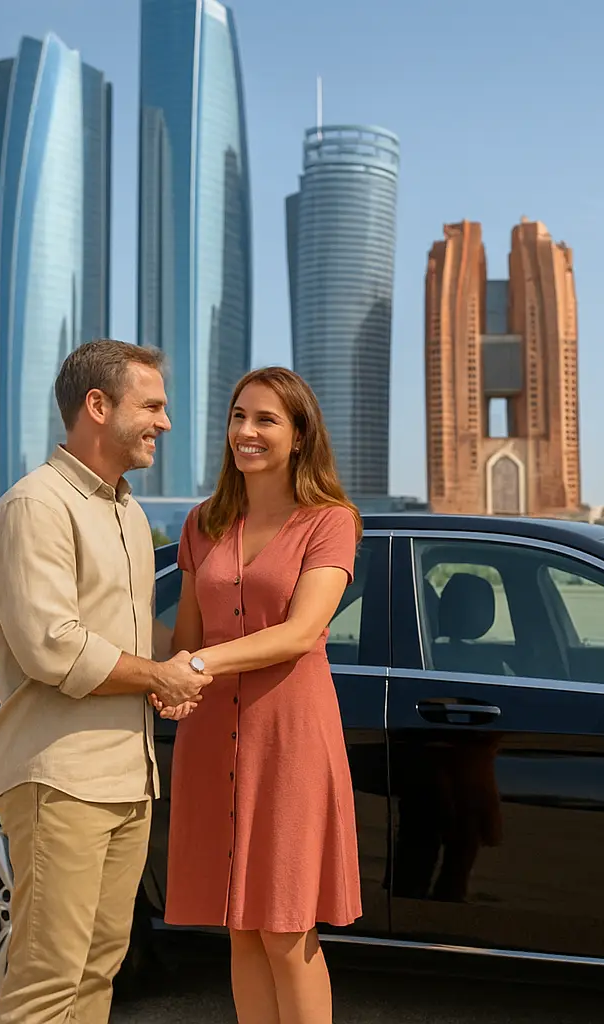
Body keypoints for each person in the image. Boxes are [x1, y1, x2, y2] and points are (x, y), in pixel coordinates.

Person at [0, 340, 213, 1024]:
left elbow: (136, 639)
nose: (164, 423)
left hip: (125, 775)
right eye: (153, 406)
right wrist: (161, 676)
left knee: (98, 969)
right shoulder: (36, 507)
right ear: (97, 405)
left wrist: (204, 659)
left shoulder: (128, 514)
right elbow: (54, 646)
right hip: (61, 778)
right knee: (48, 979)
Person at [158, 366, 362, 1024]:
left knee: (284, 925)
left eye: (266, 419)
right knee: (239, 925)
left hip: (291, 741)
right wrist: (154, 666)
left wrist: (197, 663)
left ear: (300, 436)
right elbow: (184, 637)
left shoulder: (330, 521)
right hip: (212, 736)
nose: (246, 431)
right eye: (238, 416)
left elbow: (300, 633)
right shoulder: (204, 523)